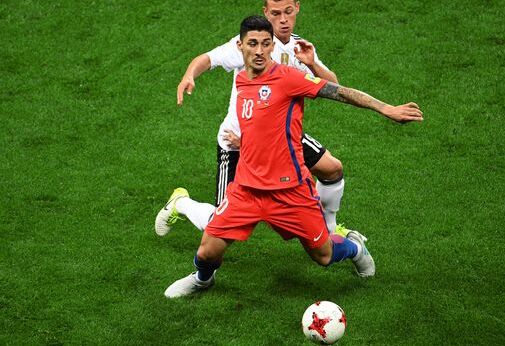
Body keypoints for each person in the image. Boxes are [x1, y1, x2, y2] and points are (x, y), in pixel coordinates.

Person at [156, 15, 423, 298]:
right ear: (240, 46)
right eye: (253, 44)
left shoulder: (288, 78)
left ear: (273, 46)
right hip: (247, 190)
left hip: (290, 191)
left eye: (266, 44)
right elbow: (259, 124)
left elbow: (339, 91)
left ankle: (355, 247)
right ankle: (202, 279)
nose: (259, 50)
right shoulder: (242, 81)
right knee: (208, 250)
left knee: (323, 256)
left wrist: (385, 109)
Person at [176, 0, 345, 233]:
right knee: (219, 227)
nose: (284, 20)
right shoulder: (249, 44)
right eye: (276, 14)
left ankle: (330, 230)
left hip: (281, 139)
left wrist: (313, 65)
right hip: (237, 141)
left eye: (288, 11)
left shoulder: (301, 47)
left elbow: (334, 88)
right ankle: (181, 203)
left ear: (297, 7)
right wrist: (190, 74)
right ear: (266, 13)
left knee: (332, 169)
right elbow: (207, 59)